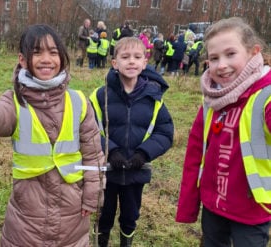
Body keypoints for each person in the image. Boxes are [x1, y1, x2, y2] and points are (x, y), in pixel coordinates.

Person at [0, 24, 105, 246]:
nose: (46, 59)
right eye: (37, 52)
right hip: (27, 214)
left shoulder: (79, 102)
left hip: (72, 212)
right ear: (22, 59)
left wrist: (93, 195)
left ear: (63, 58)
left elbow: (93, 155)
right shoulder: (15, 101)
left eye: (53, 52)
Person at [176, 17, 271, 247]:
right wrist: (189, 205)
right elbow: (195, 153)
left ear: (253, 52)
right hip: (213, 206)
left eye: (231, 54)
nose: (221, 65)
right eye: (214, 58)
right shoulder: (212, 99)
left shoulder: (265, 96)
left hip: (251, 211)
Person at [89, 37, 174, 247]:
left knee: (130, 216)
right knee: (104, 215)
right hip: (106, 171)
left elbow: (165, 132)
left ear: (145, 63)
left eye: (137, 57)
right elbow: (88, 130)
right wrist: (111, 151)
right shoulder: (101, 96)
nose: (131, 62)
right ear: (114, 63)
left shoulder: (154, 98)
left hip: (136, 172)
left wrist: (143, 154)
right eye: (125, 57)